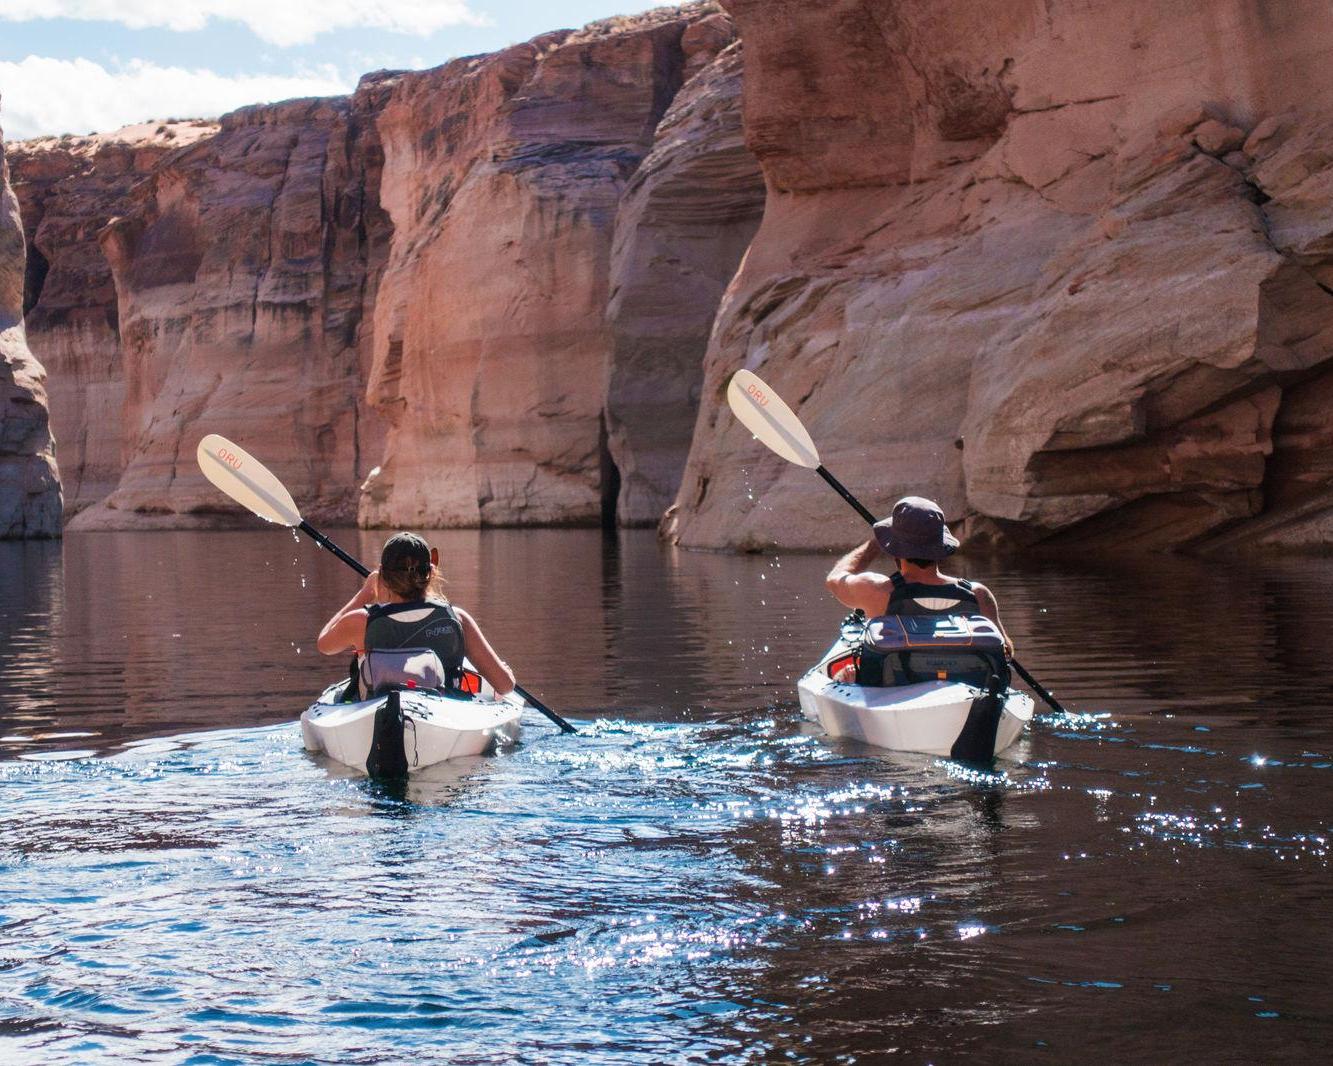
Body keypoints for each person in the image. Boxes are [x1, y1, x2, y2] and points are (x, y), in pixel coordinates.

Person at [316, 531, 515, 696]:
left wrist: (365, 594)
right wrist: (506, 672)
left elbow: (324, 644)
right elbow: (505, 686)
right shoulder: (457, 619)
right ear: (431, 573)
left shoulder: (361, 621)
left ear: (382, 576)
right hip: (445, 718)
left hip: (377, 714)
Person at [825, 496, 1013, 657]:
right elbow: (1005, 652)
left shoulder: (875, 590)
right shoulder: (978, 595)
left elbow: (835, 579)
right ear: (940, 545)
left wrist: (874, 546)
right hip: (963, 686)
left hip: (895, 688)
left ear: (893, 546)